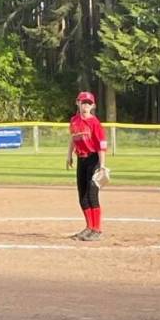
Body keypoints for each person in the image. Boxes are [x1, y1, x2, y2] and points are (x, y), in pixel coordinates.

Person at [66, 91, 108, 241]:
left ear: (93, 106)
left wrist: (102, 165)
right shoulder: (74, 121)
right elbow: (73, 138)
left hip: (93, 160)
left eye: (89, 103)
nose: (86, 106)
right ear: (77, 103)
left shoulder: (95, 123)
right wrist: (69, 155)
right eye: (83, 103)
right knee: (82, 196)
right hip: (81, 160)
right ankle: (89, 227)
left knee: (92, 195)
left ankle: (97, 229)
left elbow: (101, 146)